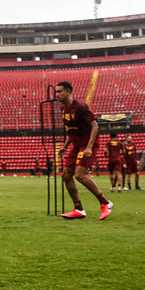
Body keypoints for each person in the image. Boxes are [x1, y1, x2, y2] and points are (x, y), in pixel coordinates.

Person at [55, 81, 114, 220]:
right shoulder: (64, 110)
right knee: (66, 175)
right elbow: (71, 131)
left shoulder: (80, 106)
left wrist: (89, 147)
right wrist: (65, 146)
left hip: (87, 144)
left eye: (59, 91)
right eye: (56, 92)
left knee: (80, 175)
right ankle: (79, 209)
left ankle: (105, 203)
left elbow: (95, 126)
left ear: (68, 92)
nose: (57, 95)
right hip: (76, 145)